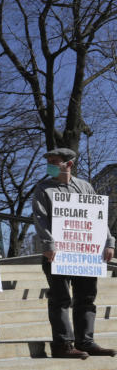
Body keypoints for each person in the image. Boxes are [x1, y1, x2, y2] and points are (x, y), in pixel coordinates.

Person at [32, 147, 115, 359]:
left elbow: (97, 218)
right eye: (48, 160)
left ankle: (85, 341)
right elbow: (40, 219)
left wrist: (109, 242)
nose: (50, 164)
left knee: (86, 297)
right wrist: (48, 244)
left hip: (84, 254)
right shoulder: (43, 188)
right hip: (57, 254)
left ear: (68, 164)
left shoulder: (85, 187)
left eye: (54, 161)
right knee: (60, 298)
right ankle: (62, 344)